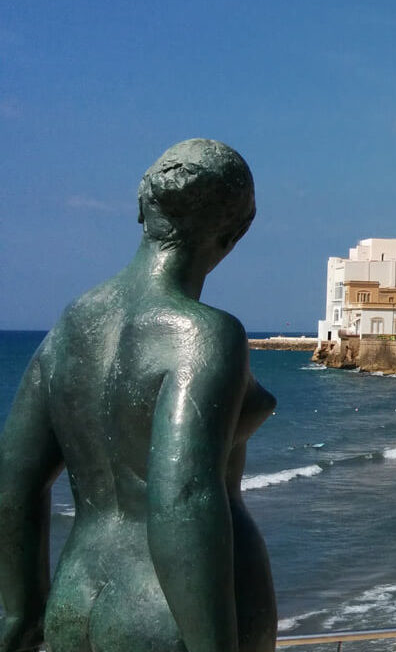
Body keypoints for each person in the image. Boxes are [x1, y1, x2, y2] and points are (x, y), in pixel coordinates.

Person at [0, 139, 276, 652]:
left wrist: (21, 610)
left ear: (141, 206)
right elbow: (183, 496)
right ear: (234, 233)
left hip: (75, 597)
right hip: (165, 616)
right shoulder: (204, 334)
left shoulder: (70, 326)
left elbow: (12, 484)